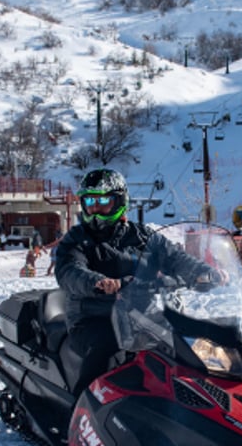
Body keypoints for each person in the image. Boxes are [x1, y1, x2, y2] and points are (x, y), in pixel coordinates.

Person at [55, 168, 216, 392]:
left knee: (190, 347)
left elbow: (175, 257)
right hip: (95, 317)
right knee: (106, 351)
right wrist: (99, 282)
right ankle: (81, 412)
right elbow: (69, 269)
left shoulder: (143, 236)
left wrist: (204, 272)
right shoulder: (78, 239)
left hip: (143, 316)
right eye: (89, 201)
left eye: (102, 201)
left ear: (119, 200)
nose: (94, 209)